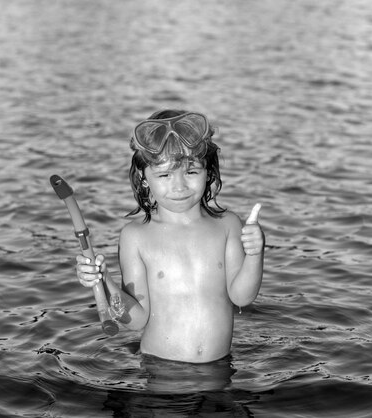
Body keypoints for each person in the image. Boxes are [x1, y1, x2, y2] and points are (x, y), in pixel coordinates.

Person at [76, 109, 265, 363]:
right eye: (164, 175)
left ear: (208, 171)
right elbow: (135, 321)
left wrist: (255, 253)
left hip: (220, 370)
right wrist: (104, 282)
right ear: (144, 179)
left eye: (191, 172)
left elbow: (242, 296)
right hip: (161, 370)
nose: (179, 186)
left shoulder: (227, 226)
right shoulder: (136, 237)